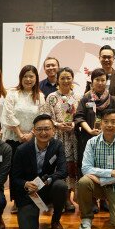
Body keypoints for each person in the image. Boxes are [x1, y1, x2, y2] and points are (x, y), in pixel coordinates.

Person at [77, 109, 115, 229]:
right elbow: (86, 168)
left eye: (113, 122)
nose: (109, 125)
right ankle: (86, 218)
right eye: (106, 121)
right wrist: (111, 173)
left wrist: (101, 180)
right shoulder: (92, 142)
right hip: (97, 185)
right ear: (100, 123)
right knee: (83, 182)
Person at [11, 114, 68, 229]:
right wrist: (25, 184)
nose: (43, 133)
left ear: (53, 130)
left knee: (61, 186)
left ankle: (56, 220)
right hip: (29, 194)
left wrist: (48, 180)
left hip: (47, 189)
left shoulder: (57, 145)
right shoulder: (22, 150)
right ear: (33, 130)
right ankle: (31, 213)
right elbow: (14, 177)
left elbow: (63, 171)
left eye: (47, 129)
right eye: (39, 129)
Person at [75, 68, 115, 213]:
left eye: (103, 80)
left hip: (108, 140)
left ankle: (105, 199)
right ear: (92, 81)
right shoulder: (86, 98)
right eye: (97, 80)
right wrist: (90, 131)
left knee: (107, 166)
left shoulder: (111, 99)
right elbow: (79, 117)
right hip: (89, 138)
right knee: (90, 167)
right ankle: (92, 200)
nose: (100, 83)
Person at [2, 65, 45, 213]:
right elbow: (8, 114)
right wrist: (20, 134)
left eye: (31, 76)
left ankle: (30, 198)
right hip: (14, 138)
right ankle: (16, 201)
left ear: (36, 79)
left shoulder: (40, 96)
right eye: (25, 76)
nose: (28, 79)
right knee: (15, 171)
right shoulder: (13, 93)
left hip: (33, 139)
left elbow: (41, 117)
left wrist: (32, 134)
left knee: (31, 170)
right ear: (21, 78)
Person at [44, 67, 80, 212]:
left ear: (72, 79)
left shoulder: (77, 97)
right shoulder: (52, 97)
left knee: (72, 166)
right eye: (62, 78)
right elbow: (47, 116)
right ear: (57, 80)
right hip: (57, 137)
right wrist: (58, 124)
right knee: (60, 166)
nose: (66, 81)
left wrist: (73, 123)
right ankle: (61, 198)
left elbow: (80, 116)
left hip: (73, 138)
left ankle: (69, 198)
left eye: (68, 78)